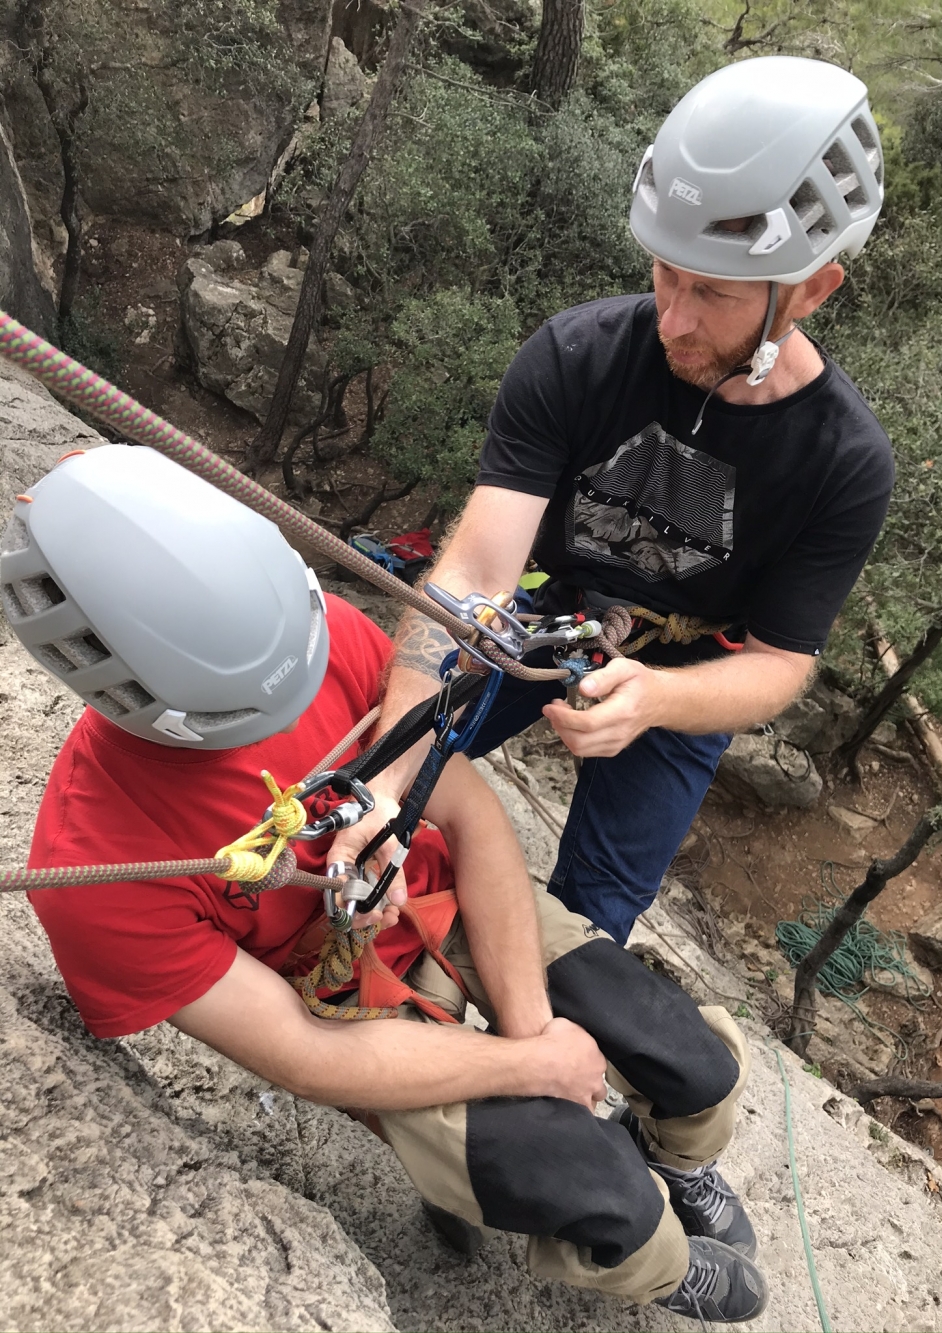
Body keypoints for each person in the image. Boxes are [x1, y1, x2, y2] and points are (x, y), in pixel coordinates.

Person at [3, 444, 767, 1324]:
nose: (288, 713)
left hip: (442, 891)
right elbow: (302, 1051)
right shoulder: (94, 868)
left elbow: (476, 824)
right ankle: (665, 1267)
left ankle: (682, 1160)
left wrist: (539, 1037)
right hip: (337, 1000)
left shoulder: (315, 631)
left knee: (687, 1055)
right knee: (594, 1187)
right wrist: (526, 1065)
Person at [332, 54, 896, 947]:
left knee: (590, 919)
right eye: (665, 272)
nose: (672, 318)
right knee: (363, 772)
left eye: (711, 292)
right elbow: (478, 569)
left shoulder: (843, 462)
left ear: (813, 289)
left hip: (686, 668)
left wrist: (657, 703)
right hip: (552, 610)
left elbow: (781, 662)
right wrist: (386, 786)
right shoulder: (579, 356)